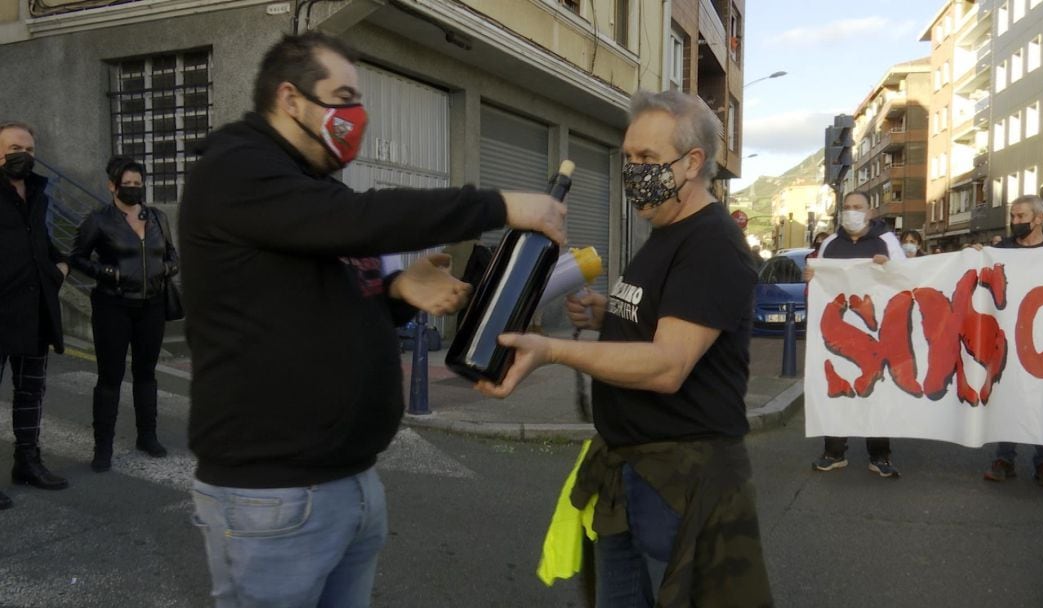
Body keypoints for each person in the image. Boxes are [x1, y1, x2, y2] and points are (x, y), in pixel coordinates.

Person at [179, 32, 566, 607]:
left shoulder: (307, 191)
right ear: (289, 99)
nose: (355, 114)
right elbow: (360, 219)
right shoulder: (237, 170)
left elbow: (318, 301)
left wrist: (397, 290)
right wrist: (500, 206)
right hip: (274, 496)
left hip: (347, 482)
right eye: (342, 96)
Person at [476, 90, 772, 607]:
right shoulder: (663, 229)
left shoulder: (712, 243)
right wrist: (603, 315)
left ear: (693, 162)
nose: (633, 171)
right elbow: (654, 320)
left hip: (681, 485)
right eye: (628, 158)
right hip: (624, 472)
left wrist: (551, 350)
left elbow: (667, 364)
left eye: (648, 160)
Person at [69, 156, 179, 473]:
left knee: (146, 373)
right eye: (126, 184)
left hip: (152, 305)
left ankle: (148, 436)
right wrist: (109, 272)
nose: (133, 189)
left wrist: (168, 268)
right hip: (112, 306)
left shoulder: (157, 218)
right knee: (110, 377)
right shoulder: (98, 220)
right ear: (112, 186)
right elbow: (77, 257)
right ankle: (102, 447)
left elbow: (171, 254)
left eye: (137, 183)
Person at [804, 191, 906, 478]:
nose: (851, 212)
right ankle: (834, 452)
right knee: (836, 386)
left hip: (876, 331)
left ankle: (880, 455)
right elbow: (818, 284)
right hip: (838, 331)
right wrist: (811, 278)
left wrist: (889, 269)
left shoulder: (886, 242)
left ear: (869, 211)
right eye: (847, 207)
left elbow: (906, 278)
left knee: (877, 390)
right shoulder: (830, 245)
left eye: (857, 207)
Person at [0, 121, 70, 511]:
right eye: (14, 148)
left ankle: (27, 462)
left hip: (34, 311)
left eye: (28, 149)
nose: (22, 155)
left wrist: (59, 268)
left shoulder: (39, 192)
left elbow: (40, 240)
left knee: (31, 393)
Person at [981, 195, 1043, 487]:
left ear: (1039, 219)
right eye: (1013, 217)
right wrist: (973, 255)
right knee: (1009, 395)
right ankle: (1004, 458)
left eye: (1021, 217)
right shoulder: (1002, 250)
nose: (1015, 222)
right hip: (1009, 337)